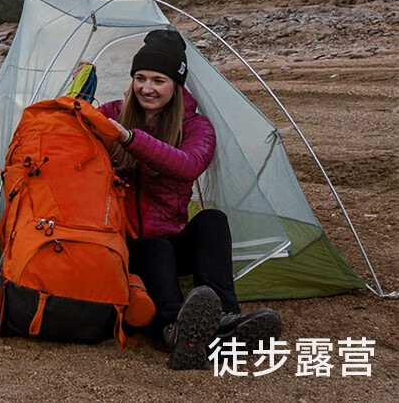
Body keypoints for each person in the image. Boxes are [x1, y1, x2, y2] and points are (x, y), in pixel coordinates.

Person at [91, 29, 282, 370]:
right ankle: (172, 327)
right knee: (156, 248)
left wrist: (130, 139)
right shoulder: (113, 113)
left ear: (177, 85)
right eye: (140, 78)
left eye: (158, 80)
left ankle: (224, 319)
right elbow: (69, 124)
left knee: (212, 221)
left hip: (168, 243)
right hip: (123, 245)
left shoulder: (196, 126)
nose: (147, 88)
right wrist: (80, 90)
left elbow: (188, 165)